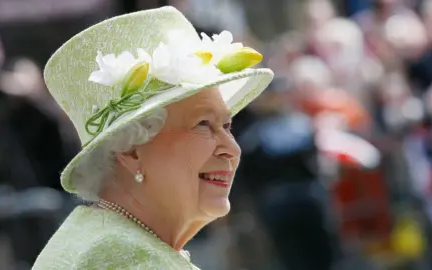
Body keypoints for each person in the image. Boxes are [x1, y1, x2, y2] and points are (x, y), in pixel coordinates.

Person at [32, 6, 273, 269]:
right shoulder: (121, 255)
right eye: (203, 124)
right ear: (131, 149)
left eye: (227, 125)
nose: (232, 149)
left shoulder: (113, 236)